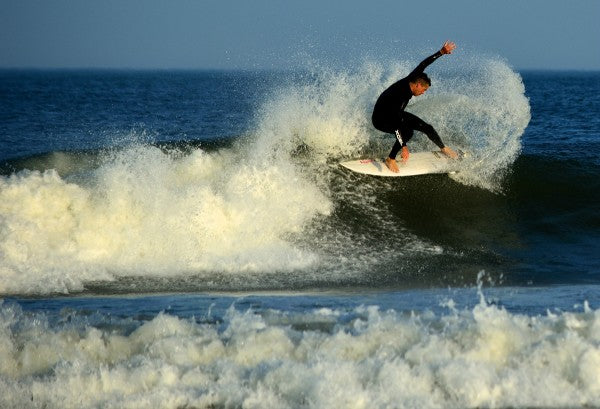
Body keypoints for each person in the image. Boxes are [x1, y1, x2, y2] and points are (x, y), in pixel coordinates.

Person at [372, 41, 459, 173]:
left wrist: (441, 52)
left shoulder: (412, 78)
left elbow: (423, 64)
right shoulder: (400, 95)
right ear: (418, 85)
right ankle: (391, 159)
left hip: (394, 114)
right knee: (407, 132)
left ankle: (443, 147)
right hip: (380, 119)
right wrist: (404, 146)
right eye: (423, 90)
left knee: (426, 127)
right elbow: (395, 124)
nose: (423, 92)